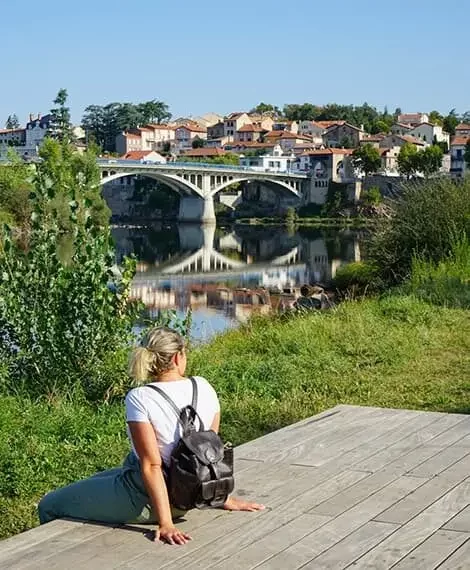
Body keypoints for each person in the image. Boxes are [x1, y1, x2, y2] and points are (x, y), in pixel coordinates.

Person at [38, 326, 265, 545]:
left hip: (150, 498)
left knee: (48, 504)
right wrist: (221, 498)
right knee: (95, 480)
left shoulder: (140, 397)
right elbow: (207, 455)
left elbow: (152, 466)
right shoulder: (204, 386)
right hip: (196, 493)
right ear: (178, 357)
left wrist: (166, 523)